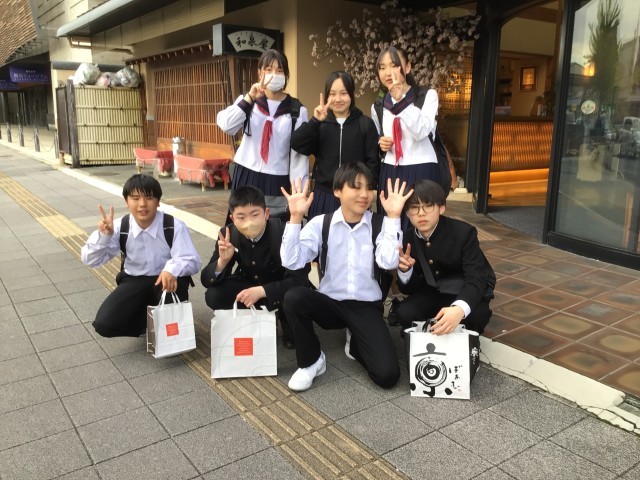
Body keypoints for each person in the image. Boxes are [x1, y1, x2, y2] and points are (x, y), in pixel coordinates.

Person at [280, 162, 412, 392]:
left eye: (369, 188)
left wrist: (393, 216)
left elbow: (388, 262)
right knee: (294, 297)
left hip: (366, 307)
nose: (364, 194)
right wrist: (295, 217)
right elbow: (291, 261)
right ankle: (311, 362)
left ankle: (356, 344)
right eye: (356, 187)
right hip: (330, 304)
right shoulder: (321, 223)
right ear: (337, 191)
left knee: (387, 375)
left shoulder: (382, 224)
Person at [81, 174, 202, 337]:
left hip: (167, 280)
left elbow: (192, 260)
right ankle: (145, 324)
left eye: (149, 198)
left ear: (158, 201)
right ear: (126, 201)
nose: (142, 204)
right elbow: (89, 260)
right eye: (135, 198)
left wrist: (172, 269)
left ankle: (171, 326)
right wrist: (104, 237)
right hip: (134, 280)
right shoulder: (119, 227)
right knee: (104, 324)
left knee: (171, 320)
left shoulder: (173, 225)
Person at [200, 185, 310, 349]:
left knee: (295, 308)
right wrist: (222, 261)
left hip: (283, 288)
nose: (249, 222)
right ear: (232, 218)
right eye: (241, 217)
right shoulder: (228, 234)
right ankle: (257, 316)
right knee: (214, 295)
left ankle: (285, 316)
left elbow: (299, 280)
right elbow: (206, 279)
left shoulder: (284, 232)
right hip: (249, 283)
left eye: (255, 214)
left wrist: (263, 291)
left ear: (266, 213)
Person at [394, 179, 495, 335]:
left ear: (441, 208)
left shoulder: (464, 233)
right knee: (405, 313)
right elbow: (410, 289)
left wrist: (459, 309)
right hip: (432, 292)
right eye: (414, 207)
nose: (421, 213)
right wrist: (406, 271)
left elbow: (476, 277)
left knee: (476, 316)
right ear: (407, 213)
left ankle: (464, 343)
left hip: (462, 289)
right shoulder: (407, 238)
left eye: (428, 206)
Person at [216, 49, 309, 218]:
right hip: (246, 174)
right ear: (260, 73)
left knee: (274, 226)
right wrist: (250, 97)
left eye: (279, 70)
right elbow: (226, 125)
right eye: (268, 69)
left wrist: (299, 190)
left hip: (277, 179)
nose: (274, 75)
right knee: (244, 223)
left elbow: (298, 154)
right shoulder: (249, 101)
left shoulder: (296, 110)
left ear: (286, 75)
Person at [291, 71, 379, 219]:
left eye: (343, 93)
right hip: (324, 196)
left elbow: (373, 163)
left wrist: (363, 189)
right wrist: (315, 121)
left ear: (351, 94)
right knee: (322, 234)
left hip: (355, 196)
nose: (338, 99)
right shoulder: (320, 124)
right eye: (332, 94)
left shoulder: (365, 124)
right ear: (326, 97)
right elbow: (297, 144)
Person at [373, 45, 440, 229]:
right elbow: (379, 138)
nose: (388, 72)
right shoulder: (379, 105)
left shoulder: (426, 96)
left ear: (408, 67)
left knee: (421, 221)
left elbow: (421, 132)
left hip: (422, 168)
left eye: (394, 65)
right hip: (391, 170)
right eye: (382, 67)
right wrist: (381, 144)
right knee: (391, 222)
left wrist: (401, 101)